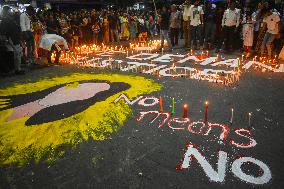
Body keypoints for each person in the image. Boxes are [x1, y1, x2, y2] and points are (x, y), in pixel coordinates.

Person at [0, 6, 25, 74]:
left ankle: (17, 68)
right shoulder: (5, 20)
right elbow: (3, 32)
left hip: (15, 38)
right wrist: (4, 39)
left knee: (18, 53)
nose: (11, 12)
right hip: (11, 38)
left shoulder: (11, 19)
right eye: (9, 11)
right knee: (17, 53)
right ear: (7, 11)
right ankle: (17, 69)